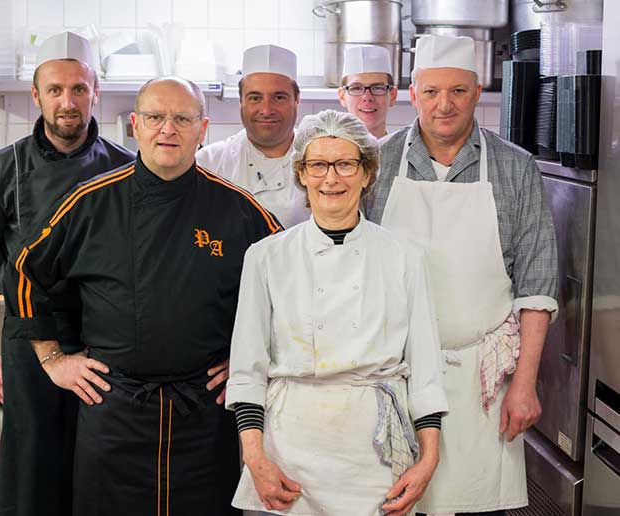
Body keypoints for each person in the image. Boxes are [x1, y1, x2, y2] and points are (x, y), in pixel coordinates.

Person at [3, 77, 282, 516]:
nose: (167, 129)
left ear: (202, 128)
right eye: (155, 117)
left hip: (205, 415)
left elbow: (291, 290)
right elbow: (23, 272)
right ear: (135, 125)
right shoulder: (89, 202)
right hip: (114, 411)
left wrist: (251, 362)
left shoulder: (239, 210)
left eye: (182, 119)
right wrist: (53, 359)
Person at [364, 34, 558, 516]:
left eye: (457, 91)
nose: (444, 105)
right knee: (390, 504)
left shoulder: (516, 168)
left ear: (478, 91)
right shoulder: (376, 164)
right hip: (394, 379)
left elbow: (536, 284)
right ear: (412, 94)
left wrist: (526, 382)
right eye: (431, 91)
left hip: (480, 386)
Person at [0, 32, 135, 516]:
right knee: (32, 475)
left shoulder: (126, 169)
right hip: (30, 347)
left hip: (107, 348)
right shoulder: (1, 171)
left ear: (95, 90)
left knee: (101, 473)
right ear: (37, 96)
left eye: (78, 89)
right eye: (55, 90)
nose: (67, 101)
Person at [226, 109, 449, 516]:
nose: (332, 178)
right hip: (288, 450)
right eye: (318, 165)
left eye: (346, 164)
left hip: (375, 455)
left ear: (367, 174)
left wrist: (428, 459)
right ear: (302, 175)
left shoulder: (403, 257)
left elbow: (427, 369)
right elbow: (247, 369)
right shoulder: (266, 257)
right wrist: (255, 459)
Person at [196, 44, 309, 228]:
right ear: (241, 101)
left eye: (278, 97)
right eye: (255, 98)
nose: (266, 110)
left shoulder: (320, 163)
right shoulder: (209, 163)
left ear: (296, 99)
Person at [337, 46, 398, 139]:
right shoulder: (328, 152)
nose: (367, 97)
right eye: (356, 88)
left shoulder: (404, 152)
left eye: (377, 88)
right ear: (342, 96)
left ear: (393, 95)